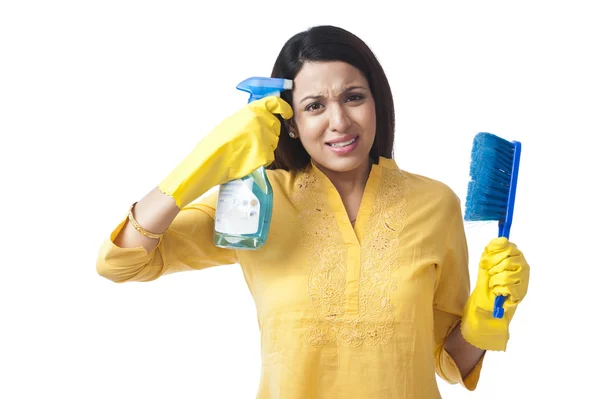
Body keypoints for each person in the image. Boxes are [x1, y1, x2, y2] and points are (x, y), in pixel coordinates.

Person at [96, 25, 530, 399]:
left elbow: (448, 360)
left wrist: (489, 314)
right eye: (314, 106)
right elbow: (122, 262)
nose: (339, 121)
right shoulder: (253, 201)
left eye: (354, 97)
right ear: (289, 120)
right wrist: (201, 166)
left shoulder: (435, 204)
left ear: (377, 101)